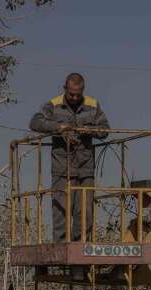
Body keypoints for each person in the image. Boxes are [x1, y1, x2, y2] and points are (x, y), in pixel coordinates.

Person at [29, 73, 109, 242]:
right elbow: (35, 122)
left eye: (78, 94)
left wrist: (90, 130)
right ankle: (60, 250)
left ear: (83, 91)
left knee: (85, 213)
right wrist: (58, 127)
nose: (74, 97)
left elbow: (105, 129)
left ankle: (81, 251)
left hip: (85, 169)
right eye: (71, 93)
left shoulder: (93, 105)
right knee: (61, 211)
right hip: (61, 168)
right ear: (64, 88)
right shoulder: (53, 105)